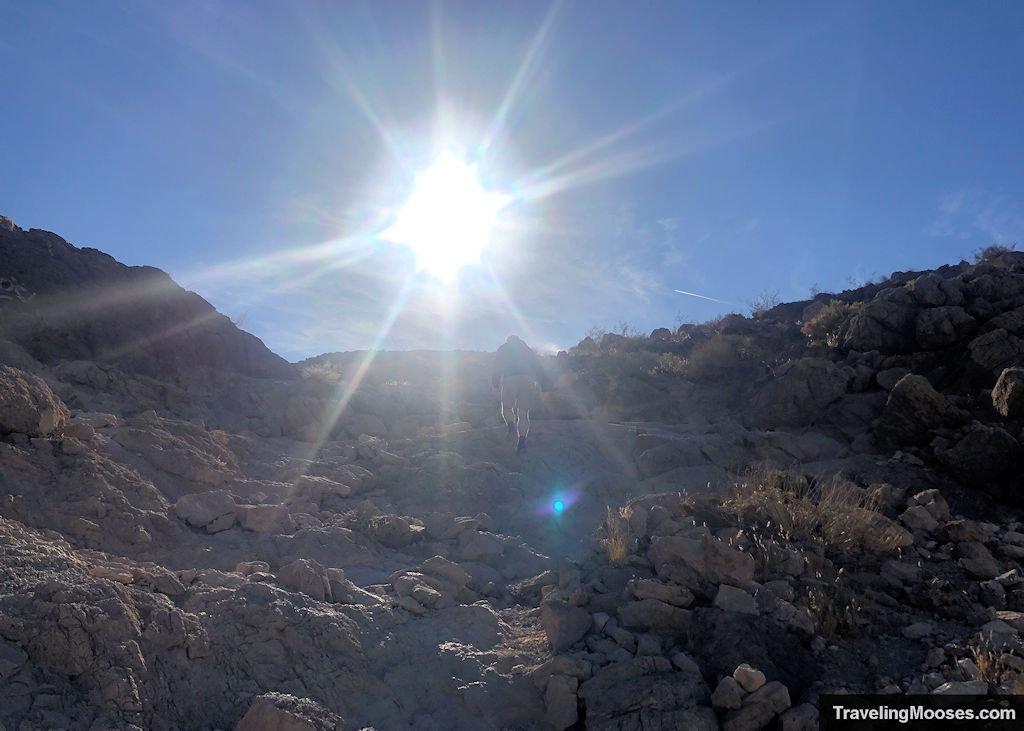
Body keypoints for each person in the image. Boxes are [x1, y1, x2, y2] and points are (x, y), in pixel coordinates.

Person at [492, 335, 546, 454]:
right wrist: (544, 386)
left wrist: (495, 384)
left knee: (506, 407)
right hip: (527, 380)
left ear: (508, 340)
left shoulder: (503, 348)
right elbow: (538, 367)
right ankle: (521, 441)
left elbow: (497, 366)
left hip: (510, 380)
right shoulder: (527, 349)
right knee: (523, 413)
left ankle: (511, 426)